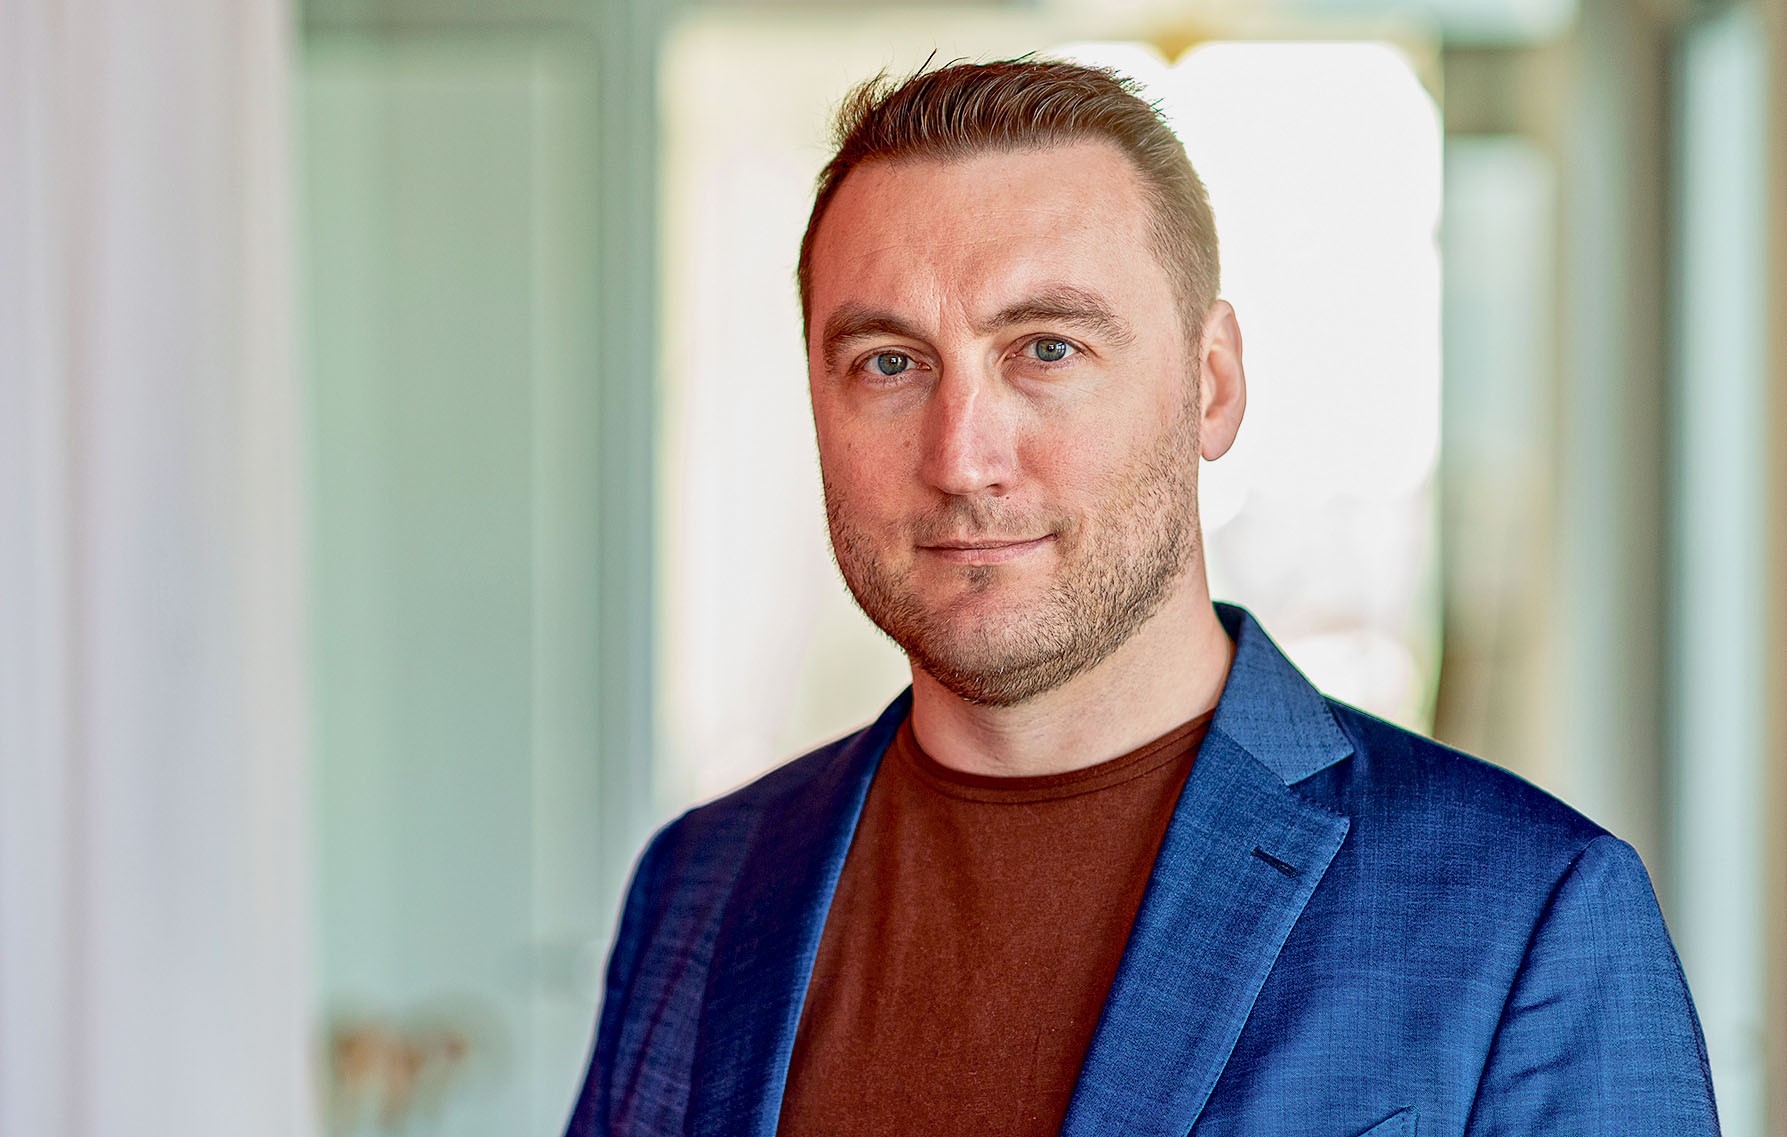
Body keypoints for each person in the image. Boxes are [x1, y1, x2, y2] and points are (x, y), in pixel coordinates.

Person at [566, 58, 1719, 1137]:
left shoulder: (1526, 916)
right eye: (889, 363)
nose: (961, 459)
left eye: (1045, 349)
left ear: (1210, 387)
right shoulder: (699, 886)